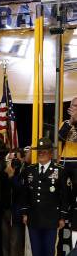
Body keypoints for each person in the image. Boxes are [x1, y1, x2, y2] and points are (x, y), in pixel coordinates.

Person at [21, 138, 69, 256]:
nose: (41, 153)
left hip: (51, 218)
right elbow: (25, 194)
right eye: (39, 151)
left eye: (44, 151)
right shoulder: (31, 170)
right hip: (34, 217)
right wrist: (25, 213)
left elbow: (65, 196)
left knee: (49, 252)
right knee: (36, 251)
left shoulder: (59, 170)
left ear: (51, 153)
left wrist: (62, 216)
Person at [59, 97, 77, 246]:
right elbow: (59, 137)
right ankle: (64, 214)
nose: (75, 108)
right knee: (64, 190)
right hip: (65, 160)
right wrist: (71, 121)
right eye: (74, 106)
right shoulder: (64, 123)